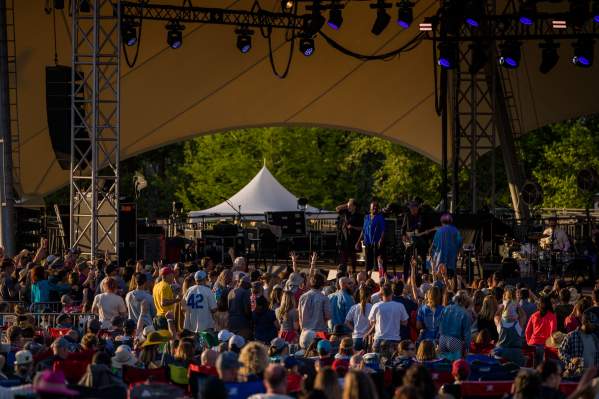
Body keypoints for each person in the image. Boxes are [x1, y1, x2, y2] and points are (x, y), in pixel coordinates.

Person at [367, 284, 409, 352]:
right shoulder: (399, 306)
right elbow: (405, 322)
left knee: (377, 361)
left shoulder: (376, 306)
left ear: (381, 294)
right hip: (394, 338)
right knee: (393, 361)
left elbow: (371, 322)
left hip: (379, 338)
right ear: (392, 293)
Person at [438, 290, 472, 361]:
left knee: (443, 364)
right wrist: (467, 347)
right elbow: (467, 334)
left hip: (442, 338)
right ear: (466, 301)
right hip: (455, 340)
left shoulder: (446, 308)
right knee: (457, 365)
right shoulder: (465, 313)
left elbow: (439, 323)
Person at [526, 295, 557, 366]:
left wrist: (529, 342)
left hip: (532, 344)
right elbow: (553, 332)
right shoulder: (552, 316)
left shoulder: (534, 315)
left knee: (532, 368)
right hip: (544, 346)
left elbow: (527, 331)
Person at [356, 200, 385, 273]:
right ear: (370, 208)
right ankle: (367, 276)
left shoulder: (380, 217)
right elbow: (363, 230)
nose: (375, 208)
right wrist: (358, 241)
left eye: (376, 207)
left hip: (376, 242)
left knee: (375, 261)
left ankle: (375, 275)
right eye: (373, 207)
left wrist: (381, 239)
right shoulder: (366, 217)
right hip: (368, 241)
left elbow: (383, 230)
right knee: (368, 261)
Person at [336, 199, 363, 274]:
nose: (348, 207)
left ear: (354, 206)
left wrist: (353, 227)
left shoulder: (359, 215)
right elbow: (337, 208)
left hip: (354, 239)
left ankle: (354, 272)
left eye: (350, 205)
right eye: (348, 206)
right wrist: (347, 204)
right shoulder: (346, 213)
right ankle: (343, 272)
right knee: (343, 258)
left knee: (353, 258)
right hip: (345, 239)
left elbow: (362, 228)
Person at [345, 286, 373, 351]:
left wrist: (354, 329)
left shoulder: (354, 307)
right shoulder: (372, 307)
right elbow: (373, 323)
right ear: (369, 296)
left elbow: (346, 322)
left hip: (356, 337)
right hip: (367, 338)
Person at [228, 275, 253, 339]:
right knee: (242, 344)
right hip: (242, 322)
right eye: (249, 285)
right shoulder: (245, 292)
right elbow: (247, 310)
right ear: (245, 284)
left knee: (233, 342)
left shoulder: (230, 292)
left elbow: (228, 307)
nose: (249, 287)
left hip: (231, 322)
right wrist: (251, 318)